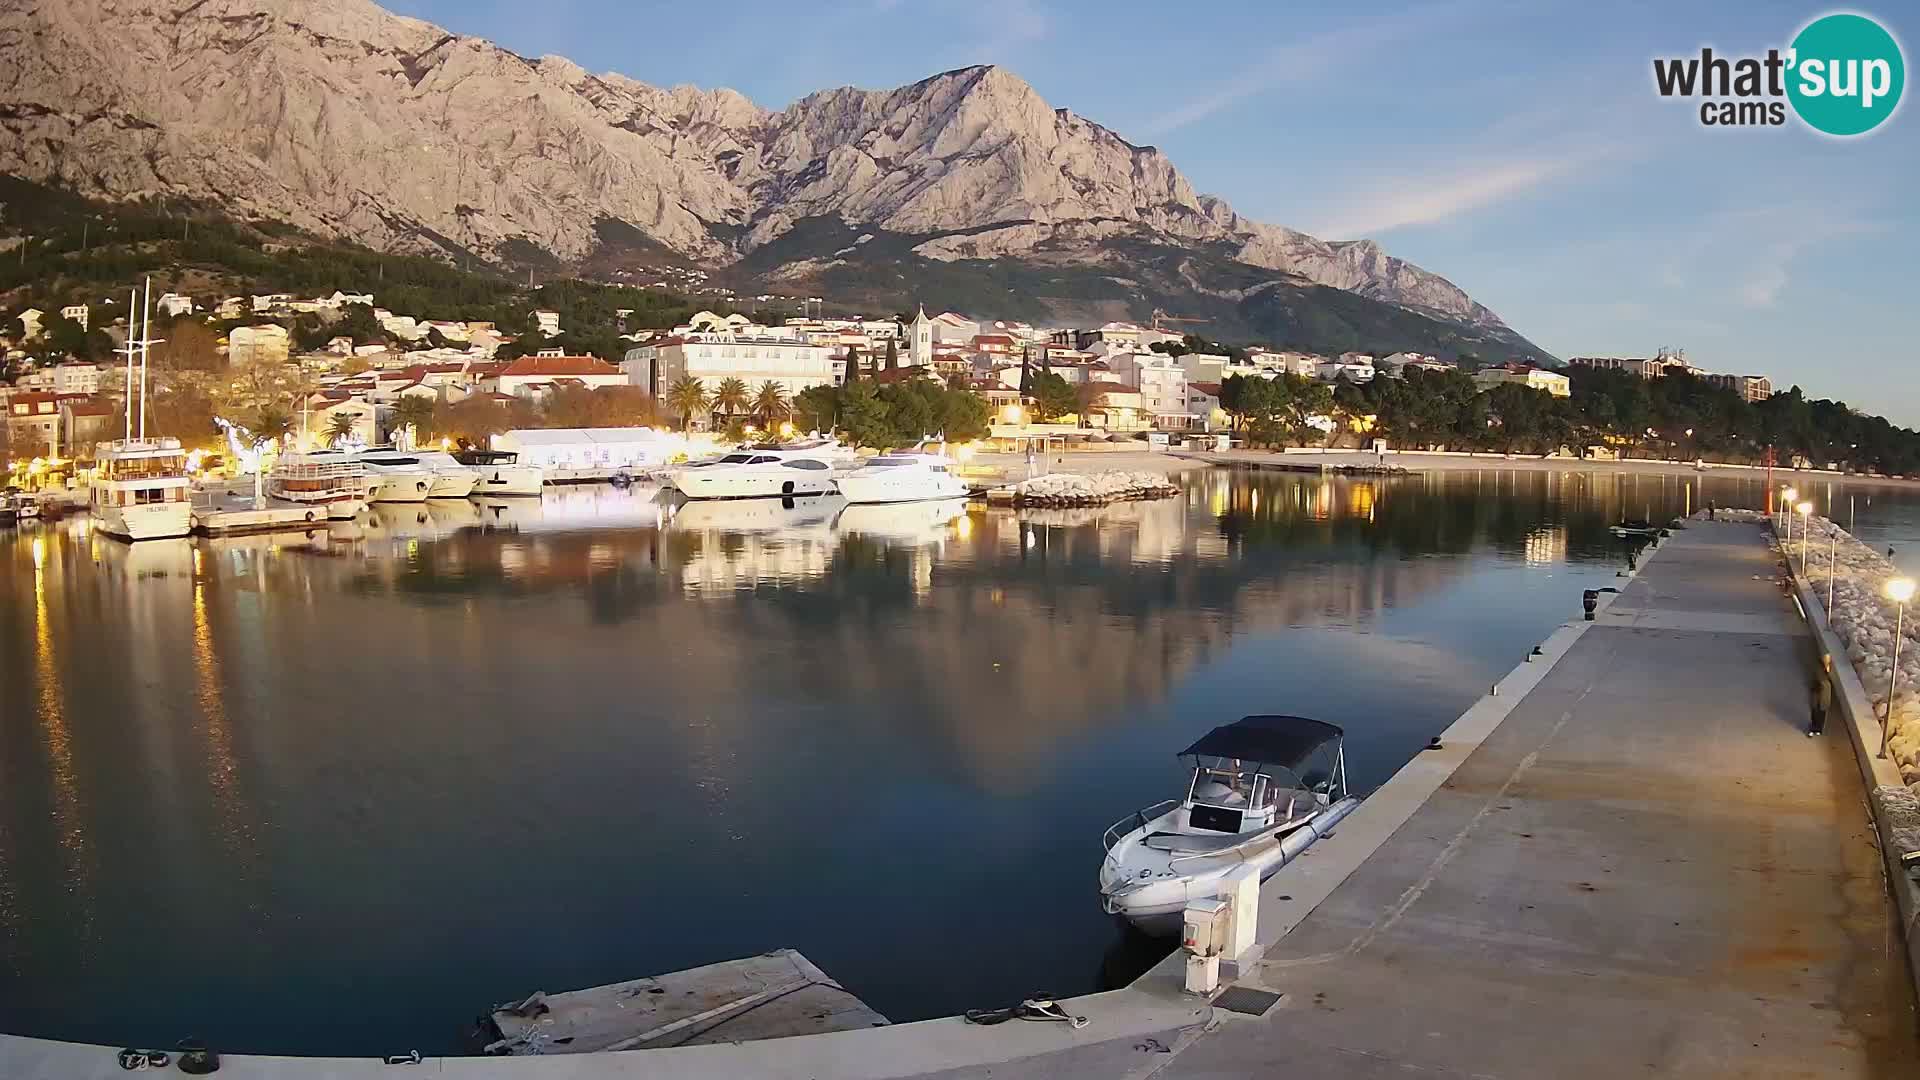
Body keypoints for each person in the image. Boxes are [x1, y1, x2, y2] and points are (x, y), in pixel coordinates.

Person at [1809, 654, 1832, 737]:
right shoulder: (1818, 667)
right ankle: (1813, 728)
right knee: (1815, 710)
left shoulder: (1829, 668)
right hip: (1817, 691)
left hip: (1824, 693)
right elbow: (1817, 678)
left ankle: (1818, 728)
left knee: (1822, 712)